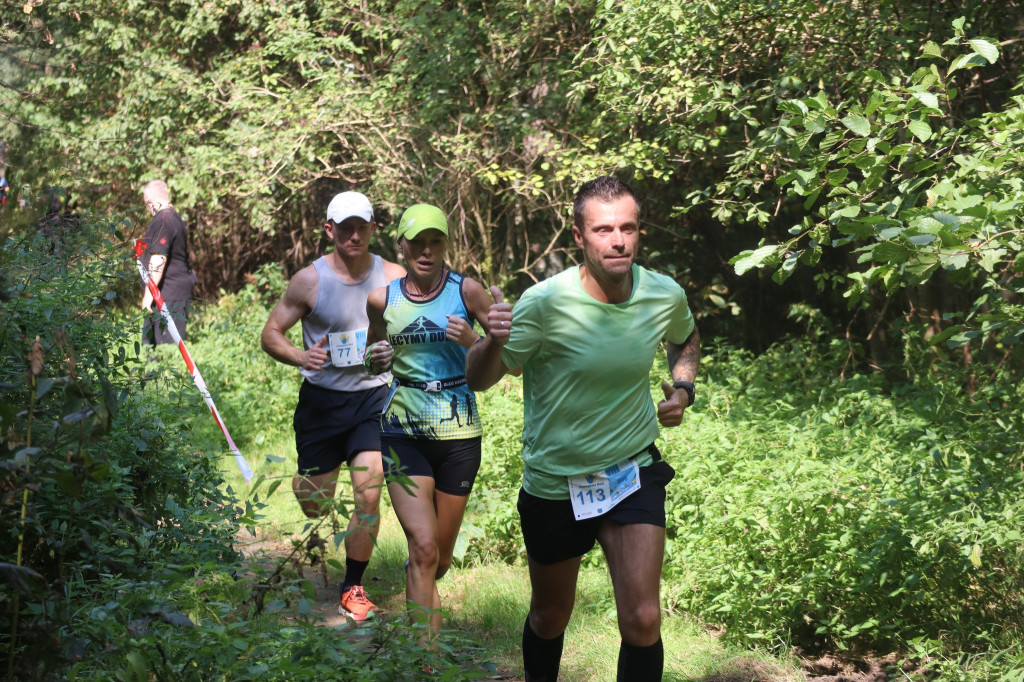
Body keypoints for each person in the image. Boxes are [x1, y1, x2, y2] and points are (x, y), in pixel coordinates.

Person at [465, 176, 701, 681]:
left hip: (631, 469)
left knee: (642, 618)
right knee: (551, 616)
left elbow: (685, 337)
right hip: (556, 480)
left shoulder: (663, 293)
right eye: (603, 230)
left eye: (627, 228)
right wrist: (489, 342)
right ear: (579, 236)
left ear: (638, 232)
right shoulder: (543, 303)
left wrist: (683, 389)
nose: (617, 240)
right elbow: (482, 379)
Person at [260, 191, 405, 621]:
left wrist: (394, 351)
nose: (354, 235)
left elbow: (418, 327)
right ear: (330, 231)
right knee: (315, 503)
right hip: (322, 403)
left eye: (362, 226)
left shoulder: (393, 276)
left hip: (374, 397)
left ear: (373, 228)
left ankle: (352, 586)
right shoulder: (310, 280)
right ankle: (308, 487)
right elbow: (271, 333)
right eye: (345, 228)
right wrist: (303, 357)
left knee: (368, 489)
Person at [365, 203, 496, 642]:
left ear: (445, 244)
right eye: (416, 241)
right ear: (400, 244)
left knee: (437, 558)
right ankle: (426, 659)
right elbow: (371, 355)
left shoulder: (469, 291)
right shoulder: (382, 298)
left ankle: (419, 583)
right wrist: (375, 358)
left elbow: (503, 362)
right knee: (422, 548)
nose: (425, 250)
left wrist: (474, 339)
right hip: (403, 429)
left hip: (459, 432)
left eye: (434, 241)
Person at [140, 180, 196, 346]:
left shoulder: (164, 220)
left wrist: (147, 297)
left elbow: (159, 259)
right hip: (171, 294)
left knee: (162, 352)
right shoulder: (174, 218)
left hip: (168, 296)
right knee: (160, 351)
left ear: (149, 201)